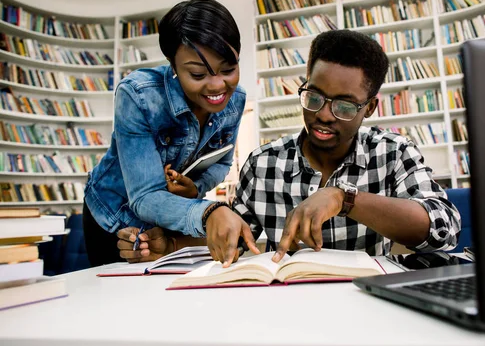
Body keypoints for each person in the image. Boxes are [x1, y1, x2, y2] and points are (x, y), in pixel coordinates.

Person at [119, 30, 461, 267]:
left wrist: (344, 198)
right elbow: (239, 237)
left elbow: (444, 228)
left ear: (369, 108)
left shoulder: (393, 153)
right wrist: (173, 245)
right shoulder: (263, 163)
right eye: (313, 97)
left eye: (344, 106)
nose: (323, 115)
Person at [83, 0, 248, 266]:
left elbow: (223, 163)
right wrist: (208, 211)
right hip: (113, 217)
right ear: (173, 65)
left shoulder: (236, 100)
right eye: (198, 75)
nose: (218, 86)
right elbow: (145, 195)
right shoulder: (138, 96)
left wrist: (195, 189)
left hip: (173, 217)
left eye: (228, 69)